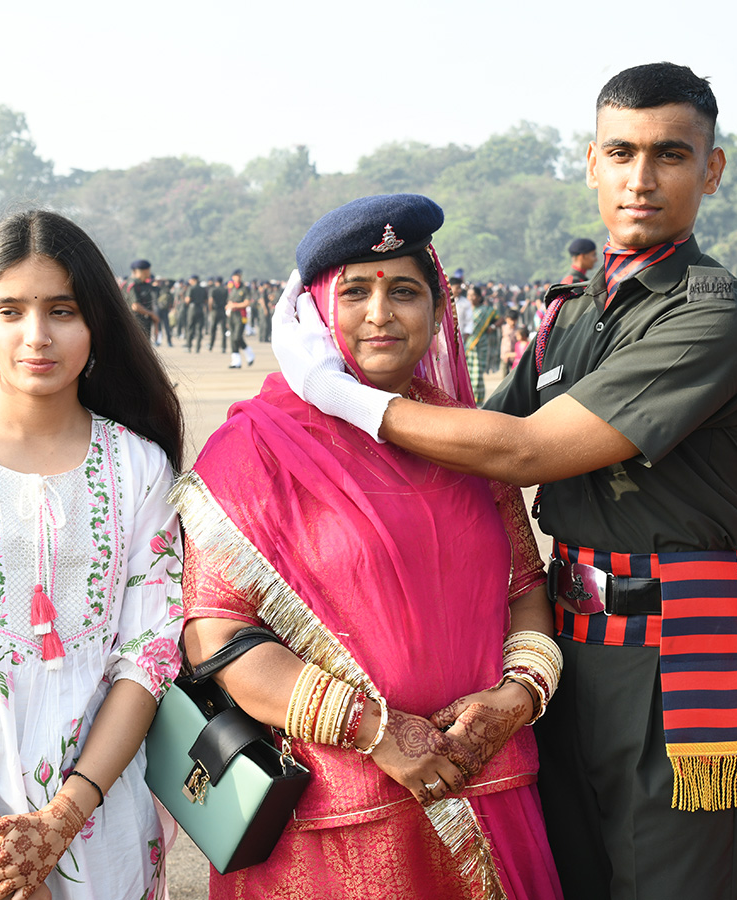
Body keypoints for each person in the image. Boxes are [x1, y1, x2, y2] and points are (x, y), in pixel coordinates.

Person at [274, 61, 737, 900]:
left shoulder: (708, 312)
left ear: (711, 170)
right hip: (564, 652)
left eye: (670, 154)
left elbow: (522, 452)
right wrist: (311, 412)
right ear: (590, 162)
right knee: (569, 878)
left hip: (670, 658)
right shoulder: (572, 311)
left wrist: (341, 394)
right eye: (620, 152)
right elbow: (461, 446)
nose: (640, 178)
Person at [176, 194, 564, 900]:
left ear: (438, 310)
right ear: (318, 311)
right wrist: (379, 733)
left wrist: (517, 697)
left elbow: (526, 593)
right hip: (331, 822)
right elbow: (216, 637)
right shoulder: (254, 451)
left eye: (405, 291)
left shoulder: (465, 439)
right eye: (355, 291)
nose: (380, 313)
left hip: (488, 788)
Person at [0, 209, 185, 900]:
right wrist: (0, 861)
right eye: (12, 309)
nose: (36, 336)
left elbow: (149, 653)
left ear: (95, 320)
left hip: (101, 821)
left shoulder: (141, 466)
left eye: (61, 310)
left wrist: (60, 824)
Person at [225, 269, 255, 368]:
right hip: (232, 315)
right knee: (233, 338)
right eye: (235, 276)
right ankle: (236, 362)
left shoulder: (245, 288)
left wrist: (235, 305)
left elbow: (247, 303)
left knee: (237, 337)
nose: (237, 278)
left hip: (241, 315)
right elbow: (229, 300)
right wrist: (229, 306)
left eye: (239, 276)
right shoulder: (232, 288)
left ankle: (249, 353)